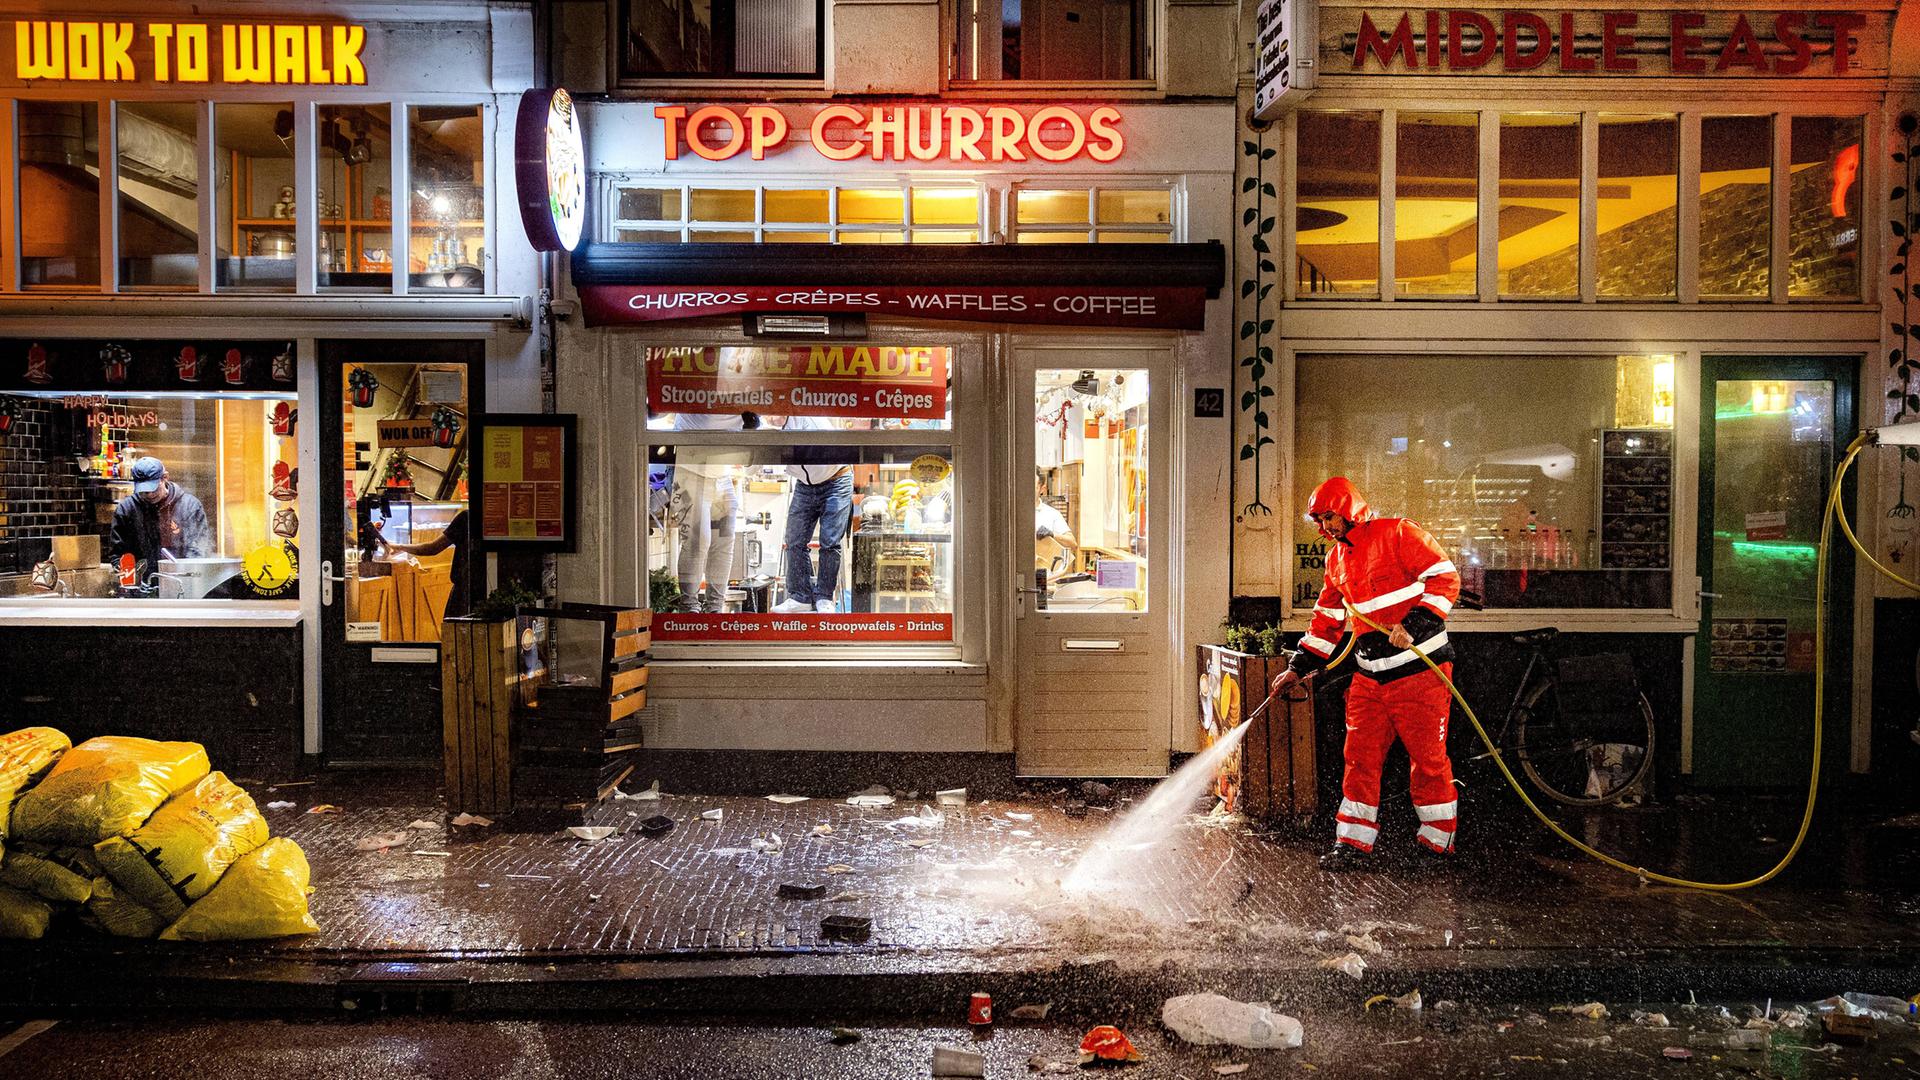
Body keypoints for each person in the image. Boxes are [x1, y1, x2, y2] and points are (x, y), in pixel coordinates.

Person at [1270, 476, 1462, 871]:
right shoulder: (1336, 560)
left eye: (1329, 519)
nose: (1324, 529)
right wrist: (1297, 668)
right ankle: (1352, 843)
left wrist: (1413, 625)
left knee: (1427, 761)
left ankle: (1437, 845)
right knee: (1358, 759)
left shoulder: (1399, 533)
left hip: (1420, 675)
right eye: (1318, 521)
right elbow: (1327, 621)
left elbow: (1445, 578)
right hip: (1370, 679)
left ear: (1349, 511)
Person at [772, 415, 852, 614]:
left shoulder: (809, 421)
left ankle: (825, 597)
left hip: (836, 479)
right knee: (794, 539)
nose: (772, 417)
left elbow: (835, 447)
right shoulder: (766, 427)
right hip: (804, 485)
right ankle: (800, 597)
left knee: (830, 541)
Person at [109, 457, 211, 581]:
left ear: (165, 478)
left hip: (181, 584)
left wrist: (186, 578)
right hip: (142, 588)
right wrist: (131, 583)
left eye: (153, 489)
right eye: (144, 491)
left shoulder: (189, 506)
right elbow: (120, 554)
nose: (150, 495)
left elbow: (198, 550)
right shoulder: (126, 510)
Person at [376, 509, 471, 618]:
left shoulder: (466, 517)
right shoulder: (487, 520)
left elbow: (432, 548)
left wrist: (399, 547)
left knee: (455, 631)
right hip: (483, 590)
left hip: (462, 594)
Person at [1035, 470, 1078, 575]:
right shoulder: (1012, 512)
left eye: (1033, 487)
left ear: (1042, 489)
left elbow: (1073, 543)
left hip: (1044, 576)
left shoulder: (1052, 514)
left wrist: (1052, 534)